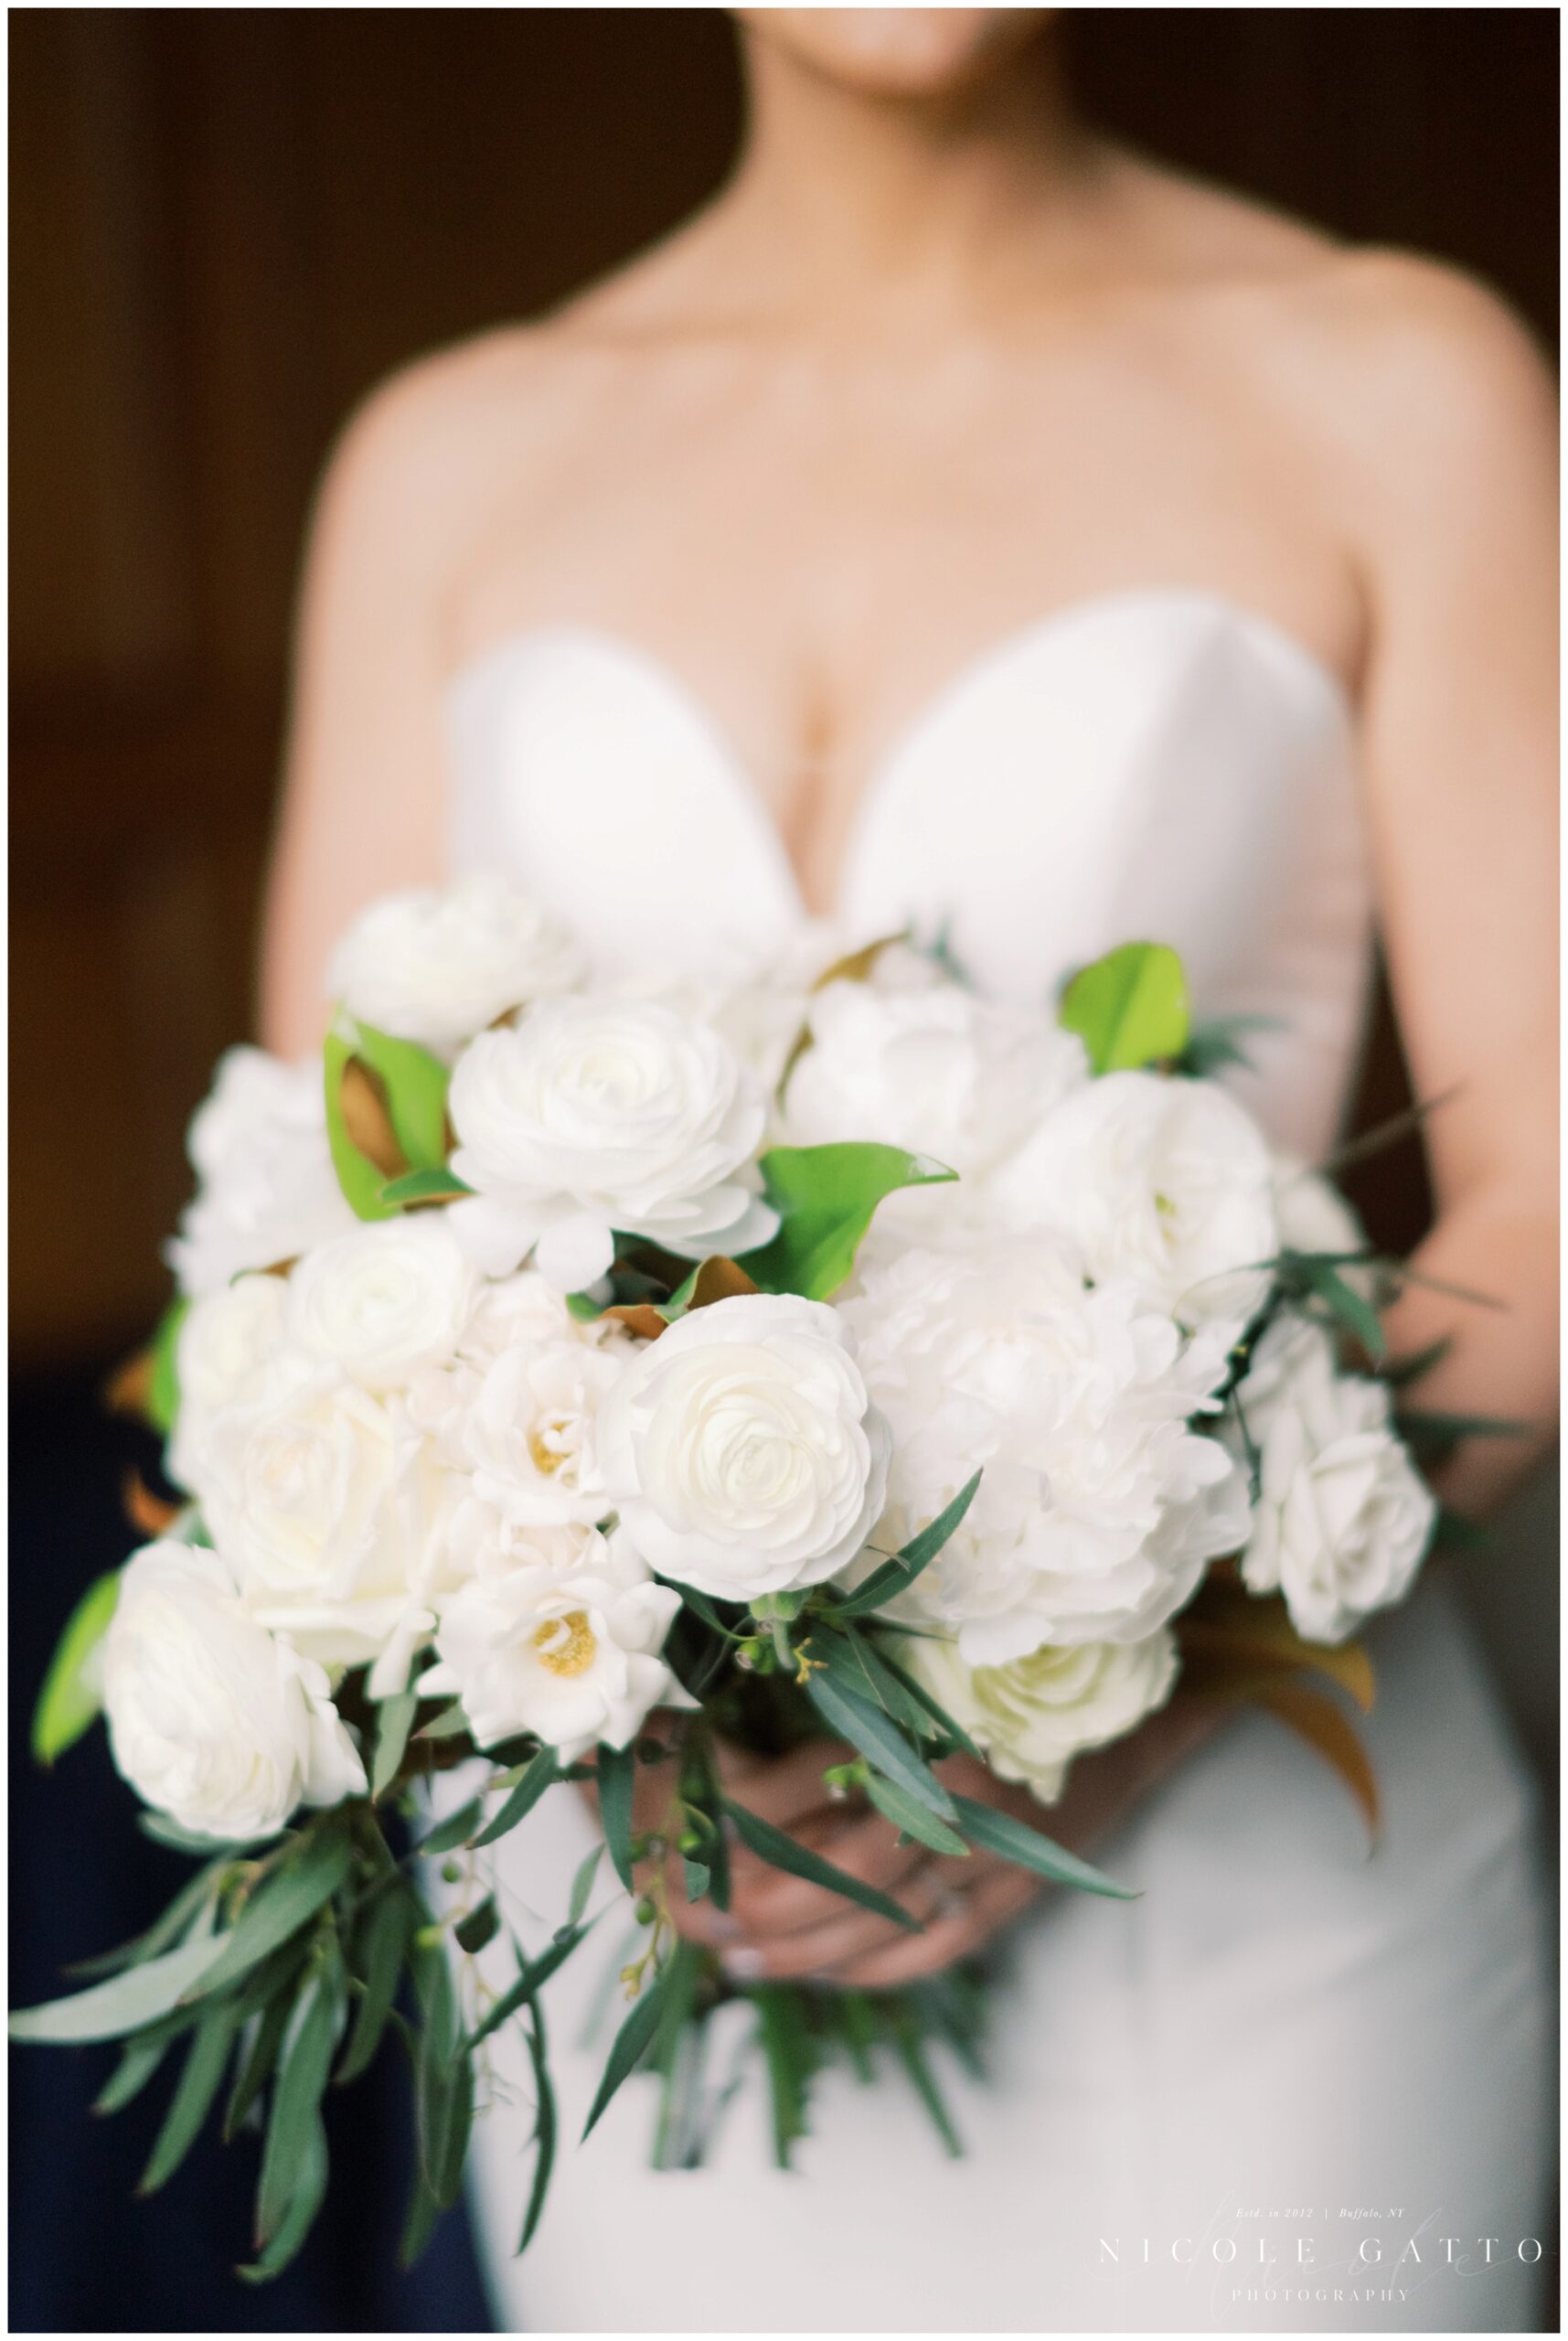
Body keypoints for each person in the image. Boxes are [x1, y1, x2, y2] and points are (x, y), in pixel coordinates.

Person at [262, 11, 1555, 2329]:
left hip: (1250, 1906)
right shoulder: (442, 467)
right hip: (653, 1930)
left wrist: (1118, 1694)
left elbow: (1550, 1202)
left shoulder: (1395, 383)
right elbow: (313, 1256)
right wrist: (589, 1707)